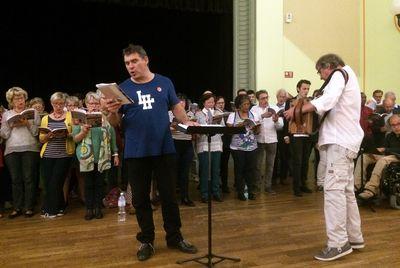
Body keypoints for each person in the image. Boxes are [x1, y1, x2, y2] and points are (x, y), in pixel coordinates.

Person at [104, 44, 198, 261]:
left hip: (164, 148)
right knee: (140, 200)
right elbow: (116, 122)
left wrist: (188, 123)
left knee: (168, 196)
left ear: (145, 60)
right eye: (127, 63)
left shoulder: (164, 82)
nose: (130, 66)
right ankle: (146, 240)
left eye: (134, 61)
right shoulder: (122, 88)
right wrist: (112, 112)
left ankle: (174, 237)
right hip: (136, 152)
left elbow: (176, 106)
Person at [284, 53, 364, 261]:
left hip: (339, 143)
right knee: (346, 192)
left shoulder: (339, 74)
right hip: (345, 142)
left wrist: (298, 109)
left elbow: (328, 99)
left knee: (333, 192)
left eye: (320, 71)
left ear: (328, 66)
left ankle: (338, 243)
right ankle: (354, 237)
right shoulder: (349, 75)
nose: (320, 77)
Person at [73, 92, 119, 220]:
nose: (93, 105)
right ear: (86, 104)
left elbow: (112, 137)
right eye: (91, 103)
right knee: (88, 183)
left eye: (96, 103)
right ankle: (89, 209)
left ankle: (98, 208)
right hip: (86, 156)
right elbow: (75, 139)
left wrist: (115, 154)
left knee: (100, 183)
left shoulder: (104, 118)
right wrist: (83, 131)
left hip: (102, 156)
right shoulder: (80, 118)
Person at [0, 87, 40, 218]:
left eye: (22, 98)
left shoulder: (32, 112)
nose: (20, 100)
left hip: (30, 148)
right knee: (16, 179)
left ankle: (28, 207)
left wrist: (27, 123)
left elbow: (36, 132)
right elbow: (4, 135)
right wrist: (11, 125)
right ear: (11, 101)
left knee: (29, 178)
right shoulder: (7, 114)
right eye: (16, 99)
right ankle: (17, 207)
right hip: (12, 150)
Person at [39, 92, 74, 218]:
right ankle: (61, 206)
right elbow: (41, 139)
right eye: (55, 104)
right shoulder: (45, 118)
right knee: (48, 182)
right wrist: (47, 136)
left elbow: (74, 134)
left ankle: (50, 209)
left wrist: (66, 134)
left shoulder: (70, 116)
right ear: (51, 104)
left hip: (64, 154)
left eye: (60, 103)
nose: (58, 106)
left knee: (56, 181)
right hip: (48, 153)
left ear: (64, 104)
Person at [283, 79, 313, 197]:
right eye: (304, 88)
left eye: (308, 89)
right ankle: (296, 187)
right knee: (297, 161)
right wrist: (286, 134)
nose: (306, 91)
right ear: (298, 89)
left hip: (307, 134)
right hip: (295, 135)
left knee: (305, 161)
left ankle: (303, 184)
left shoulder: (310, 102)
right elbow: (286, 118)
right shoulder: (290, 101)